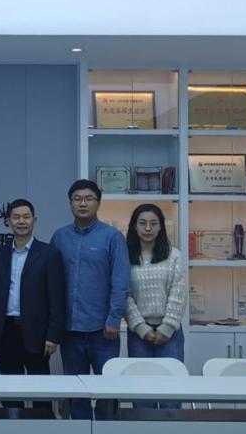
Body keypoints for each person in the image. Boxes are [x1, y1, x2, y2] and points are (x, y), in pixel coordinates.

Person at [50, 179, 129, 420]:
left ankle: (107, 429)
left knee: (107, 390)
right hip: (70, 329)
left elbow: (121, 281)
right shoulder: (60, 237)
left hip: (103, 330)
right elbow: (51, 283)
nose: (82, 204)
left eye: (88, 199)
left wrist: (114, 318)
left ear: (98, 203)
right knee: (76, 389)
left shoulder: (112, 237)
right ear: (70, 203)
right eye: (77, 199)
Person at [0, 199, 65, 411]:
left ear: (34, 220)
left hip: (37, 333)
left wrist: (53, 335)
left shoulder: (49, 254)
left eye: (26, 217)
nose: (21, 221)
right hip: (6, 331)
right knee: (10, 390)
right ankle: (13, 425)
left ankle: (42, 424)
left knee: (40, 391)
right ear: (8, 221)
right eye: (16, 217)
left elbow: (56, 297)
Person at [125, 203, 187, 409]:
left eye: (153, 223)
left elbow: (178, 293)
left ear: (161, 227)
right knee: (142, 393)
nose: (148, 228)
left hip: (170, 333)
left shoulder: (174, 255)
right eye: (142, 223)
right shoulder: (125, 257)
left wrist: (166, 328)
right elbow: (124, 295)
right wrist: (142, 328)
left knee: (171, 393)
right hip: (138, 334)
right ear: (134, 226)